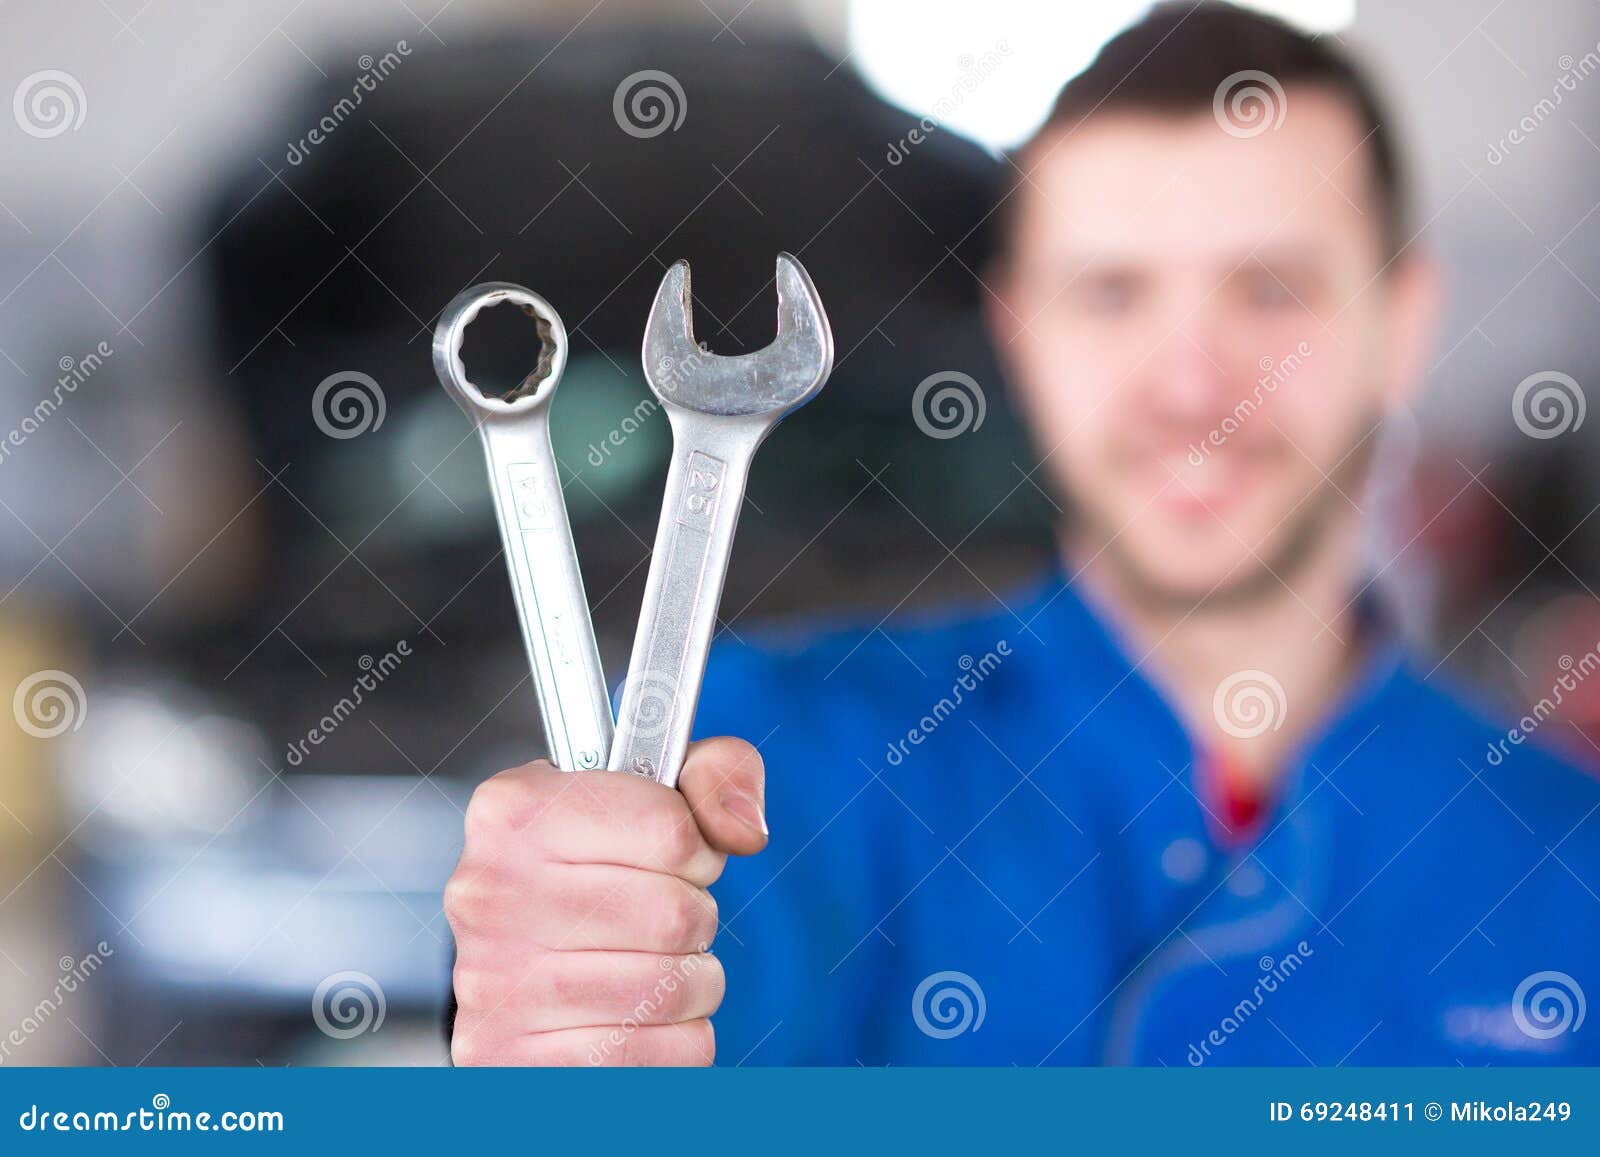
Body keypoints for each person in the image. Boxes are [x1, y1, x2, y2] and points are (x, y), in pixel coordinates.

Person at [443, 2, 1600, 1066]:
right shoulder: (754, 769)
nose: (1194, 387)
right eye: (1111, 293)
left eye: (1269, 289)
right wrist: (545, 1044)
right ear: (1019, 333)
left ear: (1403, 326)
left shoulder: (1572, 861)